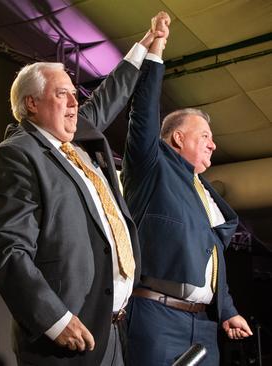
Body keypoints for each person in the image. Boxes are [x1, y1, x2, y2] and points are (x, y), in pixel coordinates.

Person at [0, 12, 169, 366]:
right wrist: (54, 319)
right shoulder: (17, 155)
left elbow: (108, 97)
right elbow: (6, 249)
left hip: (110, 332)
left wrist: (145, 45)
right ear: (32, 104)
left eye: (73, 94)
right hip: (66, 338)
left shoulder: (76, 141)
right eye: (62, 94)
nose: (73, 103)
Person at [121, 12, 253, 365]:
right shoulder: (153, 166)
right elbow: (144, 113)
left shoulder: (206, 194)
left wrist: (227, 311)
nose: (214, 145)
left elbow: (212, 258)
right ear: (178, 137)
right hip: (156, 319)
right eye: (205, 137)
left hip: (205, 325)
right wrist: (156, 49)